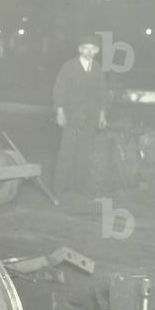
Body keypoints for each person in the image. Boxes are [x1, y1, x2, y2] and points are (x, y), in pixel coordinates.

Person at [52, 37, 108, 196]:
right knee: (66, 152)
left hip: (90, 117)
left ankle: (81, 187)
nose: (89, 52)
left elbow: (102, 93)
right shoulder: (69, 67)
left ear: (96, 51)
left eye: (92, 49)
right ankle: (59, 188)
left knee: (85, 152)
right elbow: (59, 89)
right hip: (71, 116)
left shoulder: (97, 68)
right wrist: (60, 112)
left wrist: (102, 114)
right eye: (86, 48)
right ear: (80, 49)